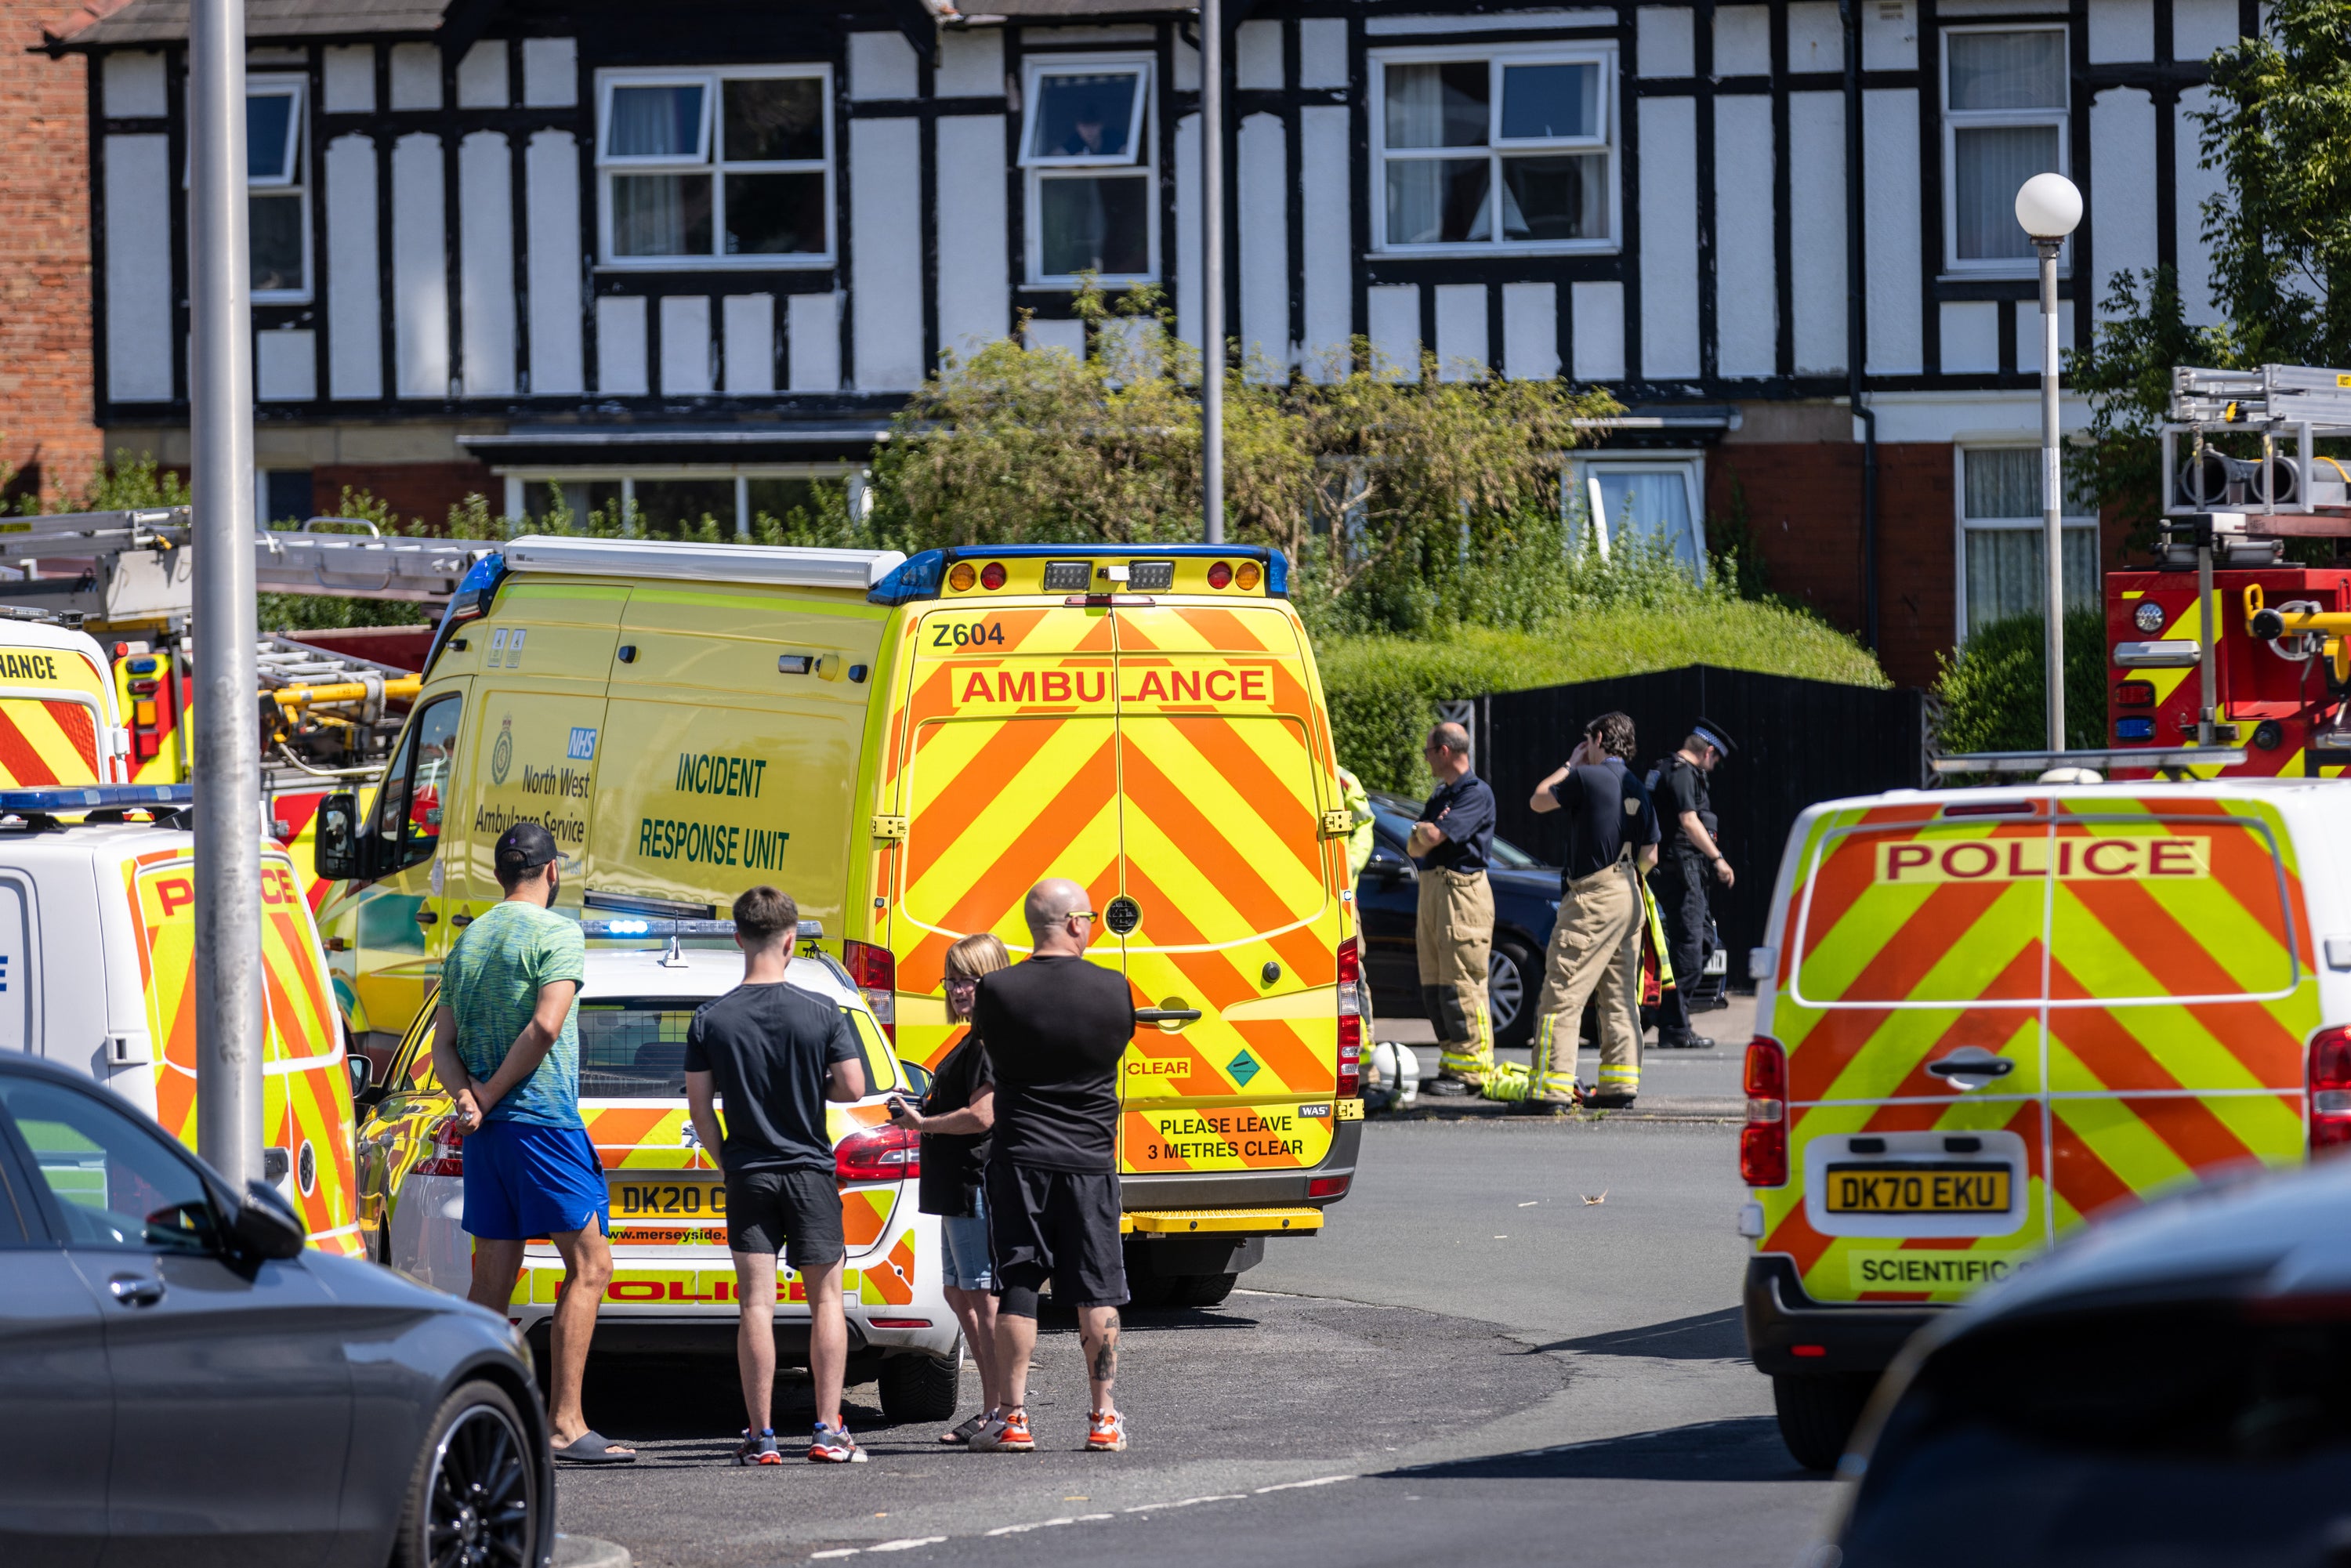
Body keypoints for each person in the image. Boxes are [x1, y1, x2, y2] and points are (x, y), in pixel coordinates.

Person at [431, 822, 633, 1464]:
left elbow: (442, 1045)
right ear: (553, 872)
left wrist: (468, 1095)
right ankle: (565, 1423)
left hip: (488, 1137)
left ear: (497, 876)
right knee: (591, 1266)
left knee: (491, 1283)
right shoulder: (557, 932)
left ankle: (466, 1418)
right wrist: (488, 1093)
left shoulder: (468, 938)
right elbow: (547, 1025)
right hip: (541, 1121)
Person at [683, 885, 871, 1465]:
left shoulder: (711, 1018)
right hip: (811, 1172)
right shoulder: (823, 1012)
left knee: (756, 1306)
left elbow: (699, 1108)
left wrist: (727, 1159)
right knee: (826, 1301)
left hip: (750, 1173)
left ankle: (761, 1435)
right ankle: (827, 1428)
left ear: (739, 937)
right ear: (791, 940)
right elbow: (854, 1087)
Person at [967, 878, 1136, 1454]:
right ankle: (1103, 1418)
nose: (1092, 925)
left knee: (1018, 1283)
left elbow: (989, 1053)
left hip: (1020, 1159)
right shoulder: (1114, 989)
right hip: (1090, 1161)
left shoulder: (997, 989)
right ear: (1071, 923)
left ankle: (1012, 1419)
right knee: (1098, 1288)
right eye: (1089, 916)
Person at [886, 932, 1010, 1446]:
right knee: (959, 1293)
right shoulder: (971, 1038)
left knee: (981, 1300)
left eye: (970, 979)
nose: (959, 990)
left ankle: (1002, 1411)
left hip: (975, 1183)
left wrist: (922, 1122)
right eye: (953, 979)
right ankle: (995, 1409)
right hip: (954, 1187)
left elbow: (983, 1115)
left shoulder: (989, 1042)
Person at [1526, 712, 1661, 1112]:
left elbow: (1538, 800)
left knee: (1561, 995)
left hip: (1592, 896)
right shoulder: (1638, 786)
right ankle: (1620, 1086)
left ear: (1599, 738)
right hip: (1630, 893)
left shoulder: (1585, 777)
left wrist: (1571, 763)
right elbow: (1651, 853)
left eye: (1588, 739)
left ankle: (1550, 1091)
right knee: (1619, 996)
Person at [1409, 723, 1498, 1092]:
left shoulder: (1475, 794)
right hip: (1434, 892)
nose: (1426, 758)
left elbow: (1429, 836)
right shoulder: (1442, 794)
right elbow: (1416, 845)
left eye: (1428, 751)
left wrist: (1427, 832)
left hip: (1462, 894)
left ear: (1444, 751)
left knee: (1463, 983)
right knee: (1436, 986)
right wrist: (1426, 833)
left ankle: (1472, 1070)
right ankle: (1453, 1064)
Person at [1650, 720, 1737, 1050]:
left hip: (1682, 872)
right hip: (1683, 872)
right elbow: (1689, 821)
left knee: (1699, 941)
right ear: (1709, 752)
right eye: (1716, 762)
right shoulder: (1682, 772)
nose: (1713, 769)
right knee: (1690, 946)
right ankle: (1670, 1021)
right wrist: (1718, 859)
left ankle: (1672, 1018)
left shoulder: (1665, 768)